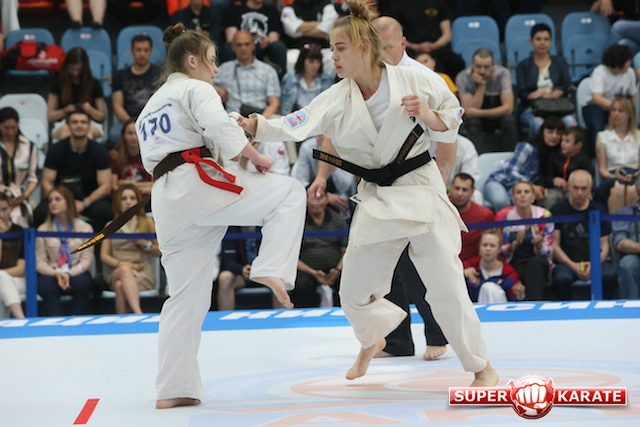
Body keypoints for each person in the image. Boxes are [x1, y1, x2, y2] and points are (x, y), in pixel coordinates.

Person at [239, 0, 497, 387]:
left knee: (445, 285)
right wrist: (254, 125)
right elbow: (296, 123)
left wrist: (428, 116)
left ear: (363, 49)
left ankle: (482, 367)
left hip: (419, 187)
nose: (333, 56)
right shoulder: (337, 96)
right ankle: (375, 336)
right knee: (353, 293)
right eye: (331, 49)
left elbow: (453, 116)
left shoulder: (413, 79)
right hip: (376, 196)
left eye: (339, 48)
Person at [137, 23, 306, 408]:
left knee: (184, 298)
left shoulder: (149, 107)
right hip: (196, 184)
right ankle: (270, 266)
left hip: (167, 200)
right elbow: (215, 127)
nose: (216, 69)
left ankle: (174, 389)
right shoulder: (196, 88)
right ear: (191, 60)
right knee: (290, 192)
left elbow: (200, 135)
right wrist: (256, 155)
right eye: (212, 61)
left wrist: (232, 132)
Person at [34, 110, 113, 232]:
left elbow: (106, 186)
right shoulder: (56, 150)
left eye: (83, 122)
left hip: (90, 200)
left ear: (89, 126)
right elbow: (46, 183)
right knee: (40, 213)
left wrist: (85, 203)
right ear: (68, 126)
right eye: (75, 122)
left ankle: (97, 244)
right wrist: (64, 202)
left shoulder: (100, 151)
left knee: (106, 213)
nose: (79, 125)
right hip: (62, 198)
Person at [550, 169, 618, 300]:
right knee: (561, 279)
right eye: (576, 188)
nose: (579, 193)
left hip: (595, 260)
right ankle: (565, 311)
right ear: (568, 187)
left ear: (590, 189)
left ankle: (604, 309)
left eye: (584, 188)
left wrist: (594, 264)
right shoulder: (557, 210)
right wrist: (573, 265)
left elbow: (604, 245)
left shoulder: (599, 210)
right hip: (567, 262)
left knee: (610, 276)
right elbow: (554, 245)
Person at [100, 184, 160, 314]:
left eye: (132, 198)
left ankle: (124, 322)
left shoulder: (147, 222)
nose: (128, 202)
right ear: (118, 203)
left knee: (120, 286)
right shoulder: (110, 225)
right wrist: (122, 264)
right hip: (118, 270)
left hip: (142, 271)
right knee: (124, 271)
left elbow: (159, 251)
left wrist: (145, 244)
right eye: (124, 198)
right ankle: (138, 313)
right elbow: (103, 256)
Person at [483, 117, 564, 212]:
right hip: (499, 181)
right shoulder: (527, 147)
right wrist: (530, 186)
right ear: (542, 132)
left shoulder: (556, 155)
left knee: (522, 201)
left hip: (519, 188)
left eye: (558, 133)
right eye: (550, 132)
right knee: (502, 201)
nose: (554, 136)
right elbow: (510, 170)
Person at [36, 186, 94, 316]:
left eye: (57, 199)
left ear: (68, 202)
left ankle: (76, 322)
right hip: (52, 272)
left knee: (83, 283)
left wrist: (68, 274)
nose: (53, 203)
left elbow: (86, 261)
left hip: (76, 270)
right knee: (46, 285)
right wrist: (56, 274)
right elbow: (40, 263)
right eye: (50, 200)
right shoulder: (43, 230)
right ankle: (56, 323)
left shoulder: (85, 228)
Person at [494, 181, 554, 301]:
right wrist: (512, 246)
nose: (522, 195)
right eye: (518, 192)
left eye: (526, 192)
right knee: (518, 271)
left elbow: (549, 251)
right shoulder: (503, 216)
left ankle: (534, 304)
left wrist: (539, 245)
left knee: (534, 264)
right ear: (513, 197)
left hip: (539, 262)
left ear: (533, 196)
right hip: (512, 261)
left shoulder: (544, 215)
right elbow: (497, 249)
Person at [380, 0, 466, 80]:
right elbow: (397, 34)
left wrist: (434, 45)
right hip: (411, 48)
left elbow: (447, 34)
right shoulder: (399, 5)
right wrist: (414, 46)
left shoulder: (439, 2)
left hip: (436, 47)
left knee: (457, 62)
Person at [516, 23, 577, 137]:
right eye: (538, 39)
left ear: (551, 42)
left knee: (570, 122)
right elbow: (522, 92)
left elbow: (567, 84)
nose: (542, 42)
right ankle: (536, 148)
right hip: (532, 108)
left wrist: (559, 91)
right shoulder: (523, 66)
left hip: (558, 107)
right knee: (538, 124)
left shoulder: (561, 63)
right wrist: (536, 94)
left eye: (546, 39)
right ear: (531, 42)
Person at [291, 189, 347, 308]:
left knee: (349, 281)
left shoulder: (338, 219)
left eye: (320, 197)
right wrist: (313, 272)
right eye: (312, 198)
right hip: (306, 271)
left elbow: (346, 251)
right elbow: (291, 255)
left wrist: (337, 270)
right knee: (300, 285)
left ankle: (346, 315)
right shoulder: (296, 221)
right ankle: (305, 317)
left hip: (335, 269)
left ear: (327, 199)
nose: (316, 202)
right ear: (306, 200)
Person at [456, 48, 518, 153]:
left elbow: (508, 108)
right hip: (478, 117)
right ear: (472, 63)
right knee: (472, 123)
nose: (482, 71)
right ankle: (477, 159)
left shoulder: (503, 74)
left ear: (492, 65)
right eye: (478, 66)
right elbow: (469, 111)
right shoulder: (463, 77)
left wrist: (479, 113)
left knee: (509, 121)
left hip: (497, 114)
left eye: (486, 67)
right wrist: (481, 85)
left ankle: (510, 156)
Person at [583, 44, 637, 155]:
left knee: (630, 125)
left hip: (618, 107)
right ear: (617, 63)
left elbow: (633, 95)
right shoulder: (599, 72)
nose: (629, 63)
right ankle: (595, 157)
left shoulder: (630, 73)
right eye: (626, 61)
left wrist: (629, 110)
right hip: (595, 106)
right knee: (597, 127)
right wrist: (618, 107)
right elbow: (597, 98)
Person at [213, 30, 281, 117]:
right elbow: (203, 83)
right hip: (232, 118)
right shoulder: (223, 69)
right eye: (239, 45)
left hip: (260, 116)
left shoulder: (268, 71)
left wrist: (258, 121)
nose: (243, 48)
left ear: (253, 46)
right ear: (233, 47)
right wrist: (215, 88)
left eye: (247, 44)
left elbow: (274, 103)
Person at [111, 34, 161, 145]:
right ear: (132, 51)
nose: (142, 54)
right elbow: (117, 105)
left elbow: (162, 102)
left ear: (151, 51)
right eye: (138, 50)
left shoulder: (159, 74)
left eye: (145, 50)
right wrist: (131, 124)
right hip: (128, 119)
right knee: (114, 134)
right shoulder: (120, 75)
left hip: (153, 119)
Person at [46, 47, 106, 141]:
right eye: (72, 69)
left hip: (90, 122)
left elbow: (101, 116)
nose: (75, 73)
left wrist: (90, 110)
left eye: (79, 70)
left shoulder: (94, 83)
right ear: (67, 66)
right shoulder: (58, 83)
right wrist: (65, 111)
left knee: (87, 134)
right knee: (66, 133)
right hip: (64, 122)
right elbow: (50, 116)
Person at [594, 95, 640, 213]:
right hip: (612, 176)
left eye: (621, 111)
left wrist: (633, 175)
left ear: (630, 114)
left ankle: (634, 223)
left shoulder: (639, 136)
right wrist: (615, 176)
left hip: (635, 175)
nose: (616, 114)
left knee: (632, 189)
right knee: (618, 189)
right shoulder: (602, 137)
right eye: (613, 110)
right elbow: (602, 170)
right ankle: (615, 224)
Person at [292, 134, 356, 217]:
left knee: (344, 200)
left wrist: (333, 164)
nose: (327, 146)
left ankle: (342, 222)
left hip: (336, 192)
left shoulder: (344, 148)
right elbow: (302, 182)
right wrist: (327, 197)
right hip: (312, 190)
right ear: (318, 139)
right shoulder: (307, 147)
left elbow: (344, 185)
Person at [221, 0, 287, 75]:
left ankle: (280, 78)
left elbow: (274, 37)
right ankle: (226, 76)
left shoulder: (273, 12)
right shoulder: (234, 11)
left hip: (263, 47)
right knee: (228, 47)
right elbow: (230, 38)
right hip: (242, 46)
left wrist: (267, 41)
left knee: (278, 47)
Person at [0, 107, 39, 227]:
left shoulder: (29, 146)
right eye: (6, 128)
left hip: (20, 197)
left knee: (20, 222)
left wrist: (23, 197)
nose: (10, 132)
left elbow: (33, 179)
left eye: (14, 128)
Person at [463, 229, 525, 303]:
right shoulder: (467, 266)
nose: (488, 249)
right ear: (479, 247)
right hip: (473, 308)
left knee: (489, 287)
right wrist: (461, 274)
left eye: (492, 246)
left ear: (499, 249)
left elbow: (515, 303)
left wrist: (521, 297)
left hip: (501, 309)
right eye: (484, 245)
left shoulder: (510, 274)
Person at [280, 0, 339, 76]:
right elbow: (292, 29)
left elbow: (327, 29)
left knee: (331, 59)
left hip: (323, 47)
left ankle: (326, 83)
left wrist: (299, 31)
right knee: (290, 59)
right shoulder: (289, 9)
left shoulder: (327, 6)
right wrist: (321, 24)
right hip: (297, 48)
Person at [449, 173, 495, 263]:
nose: (459, 193)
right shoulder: (440, 209)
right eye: (457, 188)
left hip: (472, 265)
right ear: (451, 188)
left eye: (464, 190)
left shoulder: (485, 215)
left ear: (472, 192)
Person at [542, 126, 592, 209]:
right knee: (550, 197)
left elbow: (588, 178)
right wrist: (554, 180)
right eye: (562, 140)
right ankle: (550, 217)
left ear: (578, 145)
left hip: (575, 189)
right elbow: (547, 177)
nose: (562, 144)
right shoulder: (554, 156)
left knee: (574, 197)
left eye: (567, 141)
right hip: (556, 189)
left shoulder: (584, 159)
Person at [280, 44, 334, 116]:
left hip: (319, 117)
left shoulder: (327, 79)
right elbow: (285, 108)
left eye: (318, 62)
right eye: (311, 61)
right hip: (295, 117)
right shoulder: (290, 78)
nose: (315, 65)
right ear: (302, 61)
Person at [612, 175, 640, 299]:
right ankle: (630, 307)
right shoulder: (624, 213)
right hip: (634, 256)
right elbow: (620, 242)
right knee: (628, 264)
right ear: (639, 191)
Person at [110, 118, 153, 196]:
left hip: (146, 199)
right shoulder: (114, 156)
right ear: (123, 135)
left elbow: (155, 185)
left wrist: (129, 184)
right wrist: (145, 186)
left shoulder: (151, 155)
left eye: (137, 133)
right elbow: (114, 186)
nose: (134, 137)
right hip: (123, 198)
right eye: (130, 133)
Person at [0, 193, 26, 319]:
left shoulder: (20, 231)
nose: (1, 215)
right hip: (4, 283)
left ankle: (20, 320)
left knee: (1, 277)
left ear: (10, 208)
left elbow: (21, 270)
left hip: (19, 281)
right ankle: (20, 320)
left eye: (4, 209)